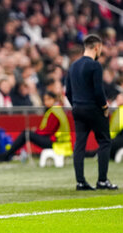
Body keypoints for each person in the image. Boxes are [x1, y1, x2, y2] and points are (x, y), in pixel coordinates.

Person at [66, 34, 118, 191]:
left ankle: (80, 182)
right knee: (104, 141)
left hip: (77, 109)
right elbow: (98, 91)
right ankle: (102, 180)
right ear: (97, 47)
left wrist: (76, 104)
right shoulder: (95, 66)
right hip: (93, 109)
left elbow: (68, 91)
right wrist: (104, 106)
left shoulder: (72, 66)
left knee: (79, 145)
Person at [0, 91, 72, 161]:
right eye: (45, 100)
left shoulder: (54, 112)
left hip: (55, 143)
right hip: (61, 143)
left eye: (49, 99)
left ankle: (7, 155)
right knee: (27, 133)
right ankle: (8, 154)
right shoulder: (58, 110)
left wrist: (36, 131)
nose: (46, 102)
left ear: (54, 99)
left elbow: (47, 131)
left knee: (26, 134)